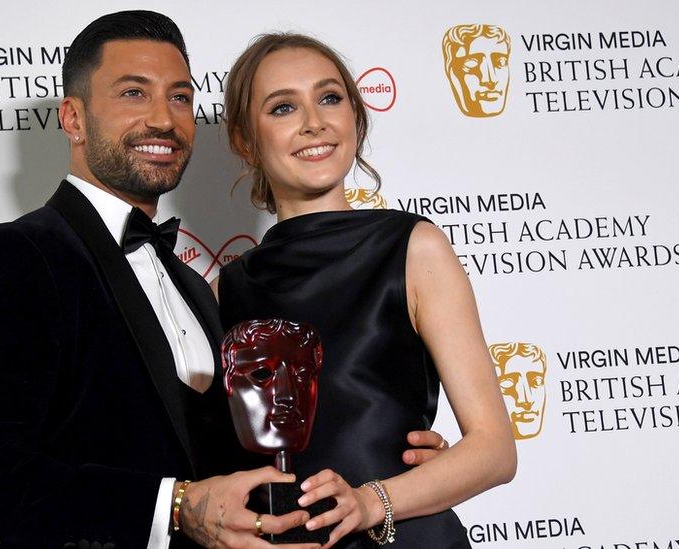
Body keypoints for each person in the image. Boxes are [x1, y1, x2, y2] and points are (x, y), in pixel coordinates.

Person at [0, 11, 444, 549]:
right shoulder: (16, 255)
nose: (163, 119)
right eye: (133, 93)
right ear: (74, 119)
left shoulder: (199, 289)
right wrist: (172, 507)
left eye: (180, 97)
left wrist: (405, 471)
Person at [217, 33, 518, 548]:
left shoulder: (412, 248)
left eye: (330, 98)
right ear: (246, 139)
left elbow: (495, 451)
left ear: (355, 115)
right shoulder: (233, 284)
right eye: (284, 106)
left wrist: (371, 501)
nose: (314, 121)